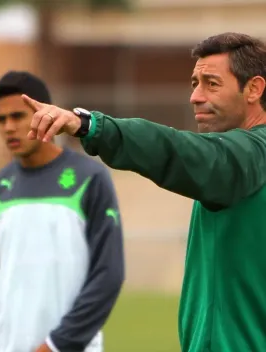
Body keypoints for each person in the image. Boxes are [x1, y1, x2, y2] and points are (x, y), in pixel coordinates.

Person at [22, 32, 266, 352]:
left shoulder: (248, 155)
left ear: (254, 89)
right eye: (195, 83)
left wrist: (91, 126)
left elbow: (179, 150)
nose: (195, 96)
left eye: (212, 83)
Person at [0, 71, 125, 352]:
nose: (8, 127)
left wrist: (56, 344)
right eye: (1, 119)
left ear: (44, 115)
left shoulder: (90, 179)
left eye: (17, 116)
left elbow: (108, 275)